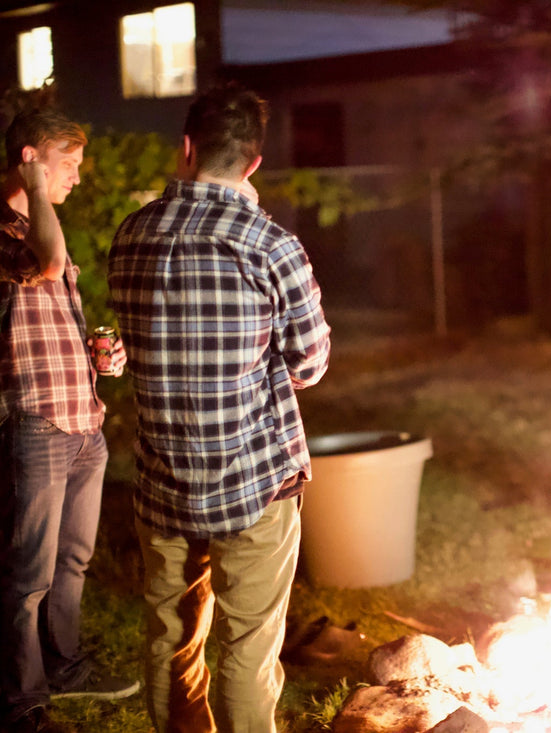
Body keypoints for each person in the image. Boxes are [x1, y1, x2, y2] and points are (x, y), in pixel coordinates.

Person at [107, 82, 331, 732]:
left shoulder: (132, 236)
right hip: (254, 482)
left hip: (163, 482)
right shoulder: (271, 246)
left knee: (169, 640)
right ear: (253, 163)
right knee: (245, 645)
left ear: (186, 149)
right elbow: (310, 364)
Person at [0, 109, 139, 732]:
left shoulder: (43, 225)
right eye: (69, 165)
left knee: (71, 560)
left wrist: (99, 354)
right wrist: (31, 186)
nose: (78, 178)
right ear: (31, 158)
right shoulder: (6, 230)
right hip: (34, 422)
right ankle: (22, 696)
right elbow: (49, 264)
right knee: (27, 571)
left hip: (82, 421)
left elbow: (53, 315)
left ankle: (64, 666)